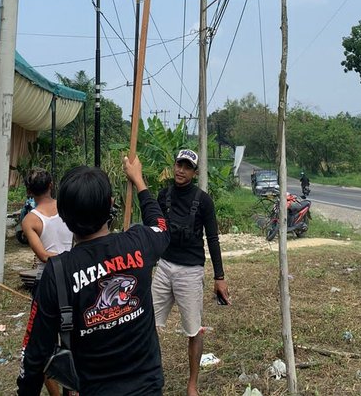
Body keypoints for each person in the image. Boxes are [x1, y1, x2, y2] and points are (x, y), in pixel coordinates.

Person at [17, 156, 169, 396]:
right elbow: (160, 224)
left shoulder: (57, 273)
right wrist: (138, 180)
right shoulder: (140, 243)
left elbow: (35, 355)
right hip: (147, 389)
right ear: (110, 204)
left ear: (63, 215)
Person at [152, 148, 230, 396]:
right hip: (163, 267)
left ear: (194, 173)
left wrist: (219, 277)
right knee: (147, 324)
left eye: (187, 167)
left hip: (191, 272)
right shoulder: (163, 195)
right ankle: (149, 375)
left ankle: (192, 384)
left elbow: (213, 238)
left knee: (194, 330)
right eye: (178, 165)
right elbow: (152, 229)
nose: (180, 170)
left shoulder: (204, 201)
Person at [21, 168, 73, 396]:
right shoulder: (68, 207)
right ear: (51, 184)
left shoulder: (31, 220)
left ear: (30, 191)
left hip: (47, 283)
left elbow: (43, 255)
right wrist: (73, 257)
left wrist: (60, 258)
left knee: (42, 345)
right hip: (74, 276)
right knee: (74, 339)